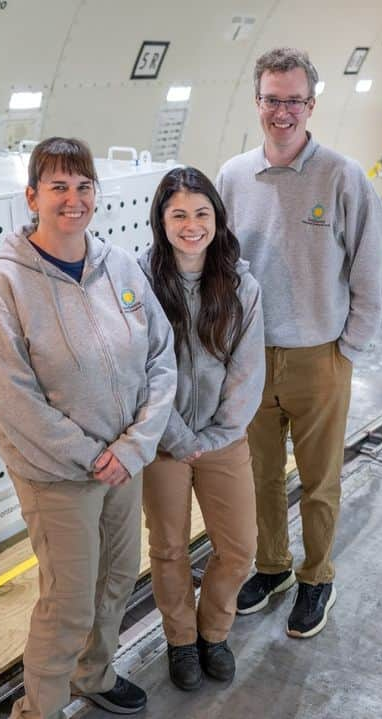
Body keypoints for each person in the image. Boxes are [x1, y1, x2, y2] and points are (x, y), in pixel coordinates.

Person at [0, 137, 177, 718]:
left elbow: (161, 359)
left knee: (115, 579)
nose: (73, 199)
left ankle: (95, 673)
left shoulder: (119, 265)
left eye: (83, 186)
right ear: (32, 196)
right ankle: (38, 708)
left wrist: (133, 447)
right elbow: (14, 398)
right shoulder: (6, 284)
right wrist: (93, 456)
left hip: (123, 463)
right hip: (58, 474)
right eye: (58, 187)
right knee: (66, 602)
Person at [215, 48, 382, 638]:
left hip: (321, 356)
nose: (282, 111)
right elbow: (220, 266)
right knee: (259, 474)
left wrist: (349, 348)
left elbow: (370, 269)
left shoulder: (342, 176)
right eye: (272, 99)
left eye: (294, 100)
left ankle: (318, 577)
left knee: (319, 479)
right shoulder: (233, 177)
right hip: (251, 356)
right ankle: (273, 567)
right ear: (257, 102)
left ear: (311, 105)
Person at [137, 167, 264, 691]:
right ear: (161, 221)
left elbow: (247, 369)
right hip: (161, 441)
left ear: (217, 217)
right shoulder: (139, 282)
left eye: (201, 214)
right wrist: (173, 436)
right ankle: (182, 642)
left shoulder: (240, 285)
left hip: (222, 440)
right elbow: (136, 366)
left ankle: (215, 632)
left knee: (238, 548)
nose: (192, 226)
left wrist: (213, 436)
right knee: (168, 548)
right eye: (179, 215)